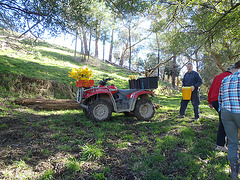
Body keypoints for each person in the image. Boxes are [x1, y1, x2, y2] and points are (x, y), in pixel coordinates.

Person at [219, 61, 240, 180]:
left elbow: (220, 98)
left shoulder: (225, 79)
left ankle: (234, 172)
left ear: (235, 67)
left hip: (226, 113)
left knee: (232, 142)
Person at [208, 66, 235, 152]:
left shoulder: (218, 76)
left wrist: (210, 101)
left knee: (223, 120)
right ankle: (220, 145)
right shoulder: (231, 77)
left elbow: (211, 89)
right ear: (232, 70)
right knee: (224, 122)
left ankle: (223, 142)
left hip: (214, 101)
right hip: (223, 100)